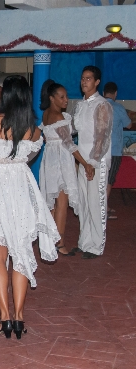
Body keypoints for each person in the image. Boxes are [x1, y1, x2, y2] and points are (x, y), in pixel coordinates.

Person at [0, 75, 60, 339]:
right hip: (22, 193)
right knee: (20, 254)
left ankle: (4, 317)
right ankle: (19, 318)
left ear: (3, 97)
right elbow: (28, 158)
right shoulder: (35, 131)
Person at [39, 80, 94, 256]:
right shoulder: (58, 117)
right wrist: (85, 164)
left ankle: (51, 240)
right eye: (61, 97)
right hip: (61, 161)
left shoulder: (46, 114)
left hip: (50, 159)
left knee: (53, 203)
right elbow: (70, 144)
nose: (66, 100)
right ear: (52, 98)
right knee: (61, 202)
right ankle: (60, 242)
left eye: (67, 96)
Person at [72, 66, 113, 259]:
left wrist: (93, 162)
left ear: (97, 82)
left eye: (88, 78)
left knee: (96, 201)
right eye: (82, 78)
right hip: (82, 158)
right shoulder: (81, 105)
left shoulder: (102, 104)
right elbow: (74, 129)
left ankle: (96, 245)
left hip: (97, 160)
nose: (84, 81)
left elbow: (102, 136)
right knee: (84, 201)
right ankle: (85, 241)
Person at [103, 82, 132, 220]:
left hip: (100, 150)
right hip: (114, 150)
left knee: (101, 178)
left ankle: (101, 206)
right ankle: (103, 209)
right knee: (109, 179)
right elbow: (129, 124)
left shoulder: (99, 106)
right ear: (115, 93)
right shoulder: (118, 108)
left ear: (104, 93)